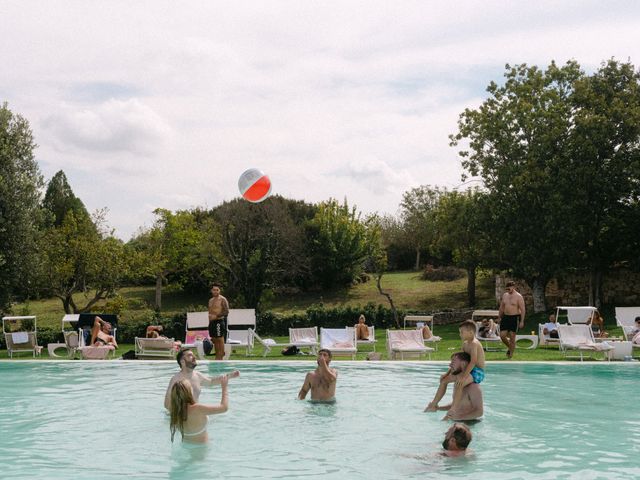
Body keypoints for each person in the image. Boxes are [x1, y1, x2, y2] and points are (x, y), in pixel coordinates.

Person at [425, 322, 485, 417]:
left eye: (462, 332)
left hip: (477, 372)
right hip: (466, 369)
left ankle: (454, 409)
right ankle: (434, 404)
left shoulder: (474, 344)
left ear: (470, 332)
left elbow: (473, 362)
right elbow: (459, 359)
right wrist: (447, 373)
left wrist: (463, 377)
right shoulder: (465, 344)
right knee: (444, 380)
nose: (460, 334)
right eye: (460, 332)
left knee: (459, 383)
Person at [164, 348, 239, 411]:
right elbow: (167, 404)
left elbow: (211, 382)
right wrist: (182, 415)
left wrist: (229, 376)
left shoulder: (197, 375)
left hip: (195, 414)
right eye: (190, 355)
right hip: (182, 418)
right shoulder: (176, 379)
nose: (194, 357)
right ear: (182, 362)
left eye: (193, 355)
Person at [169, 376, 229, 443]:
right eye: (191, 387)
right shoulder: (198, 409)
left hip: (185, 446)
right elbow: (224, 408)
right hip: (201, 449)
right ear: (188, 392)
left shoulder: (175, 412)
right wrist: (224, 387)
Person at [428, 352, 484, 421]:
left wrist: (458, 418)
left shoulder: (474, 387)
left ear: (463, 364)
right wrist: (439, 408)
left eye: (453, 362)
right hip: (456, 421)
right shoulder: (457, 384)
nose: (450, 365)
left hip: (470, 425)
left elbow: (479, 412)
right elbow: (459, 405)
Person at [498, 280, 525, 358]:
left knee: (512, 336)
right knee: (502, 335)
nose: (507, 290)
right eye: (506, 289)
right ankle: (510, 347)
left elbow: (523, 309)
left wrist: (522, 321)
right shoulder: (505, 295)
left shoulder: (518, 296)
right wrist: (499, 317)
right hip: (506, 317)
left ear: (513, 287)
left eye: (509, 288)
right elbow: (502, 307)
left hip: (514, 317)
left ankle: (510, 354)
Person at [208, 283, 230, 360]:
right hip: (212, 323)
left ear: (219, 291)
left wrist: (216, 316)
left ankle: (220, 356)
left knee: (220, 340)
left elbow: (226, 311)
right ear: (211, 290)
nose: (216, 291)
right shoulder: (210, 300)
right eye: (214, 290)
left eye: (217, 290)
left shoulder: (222, 299)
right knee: (214, 339)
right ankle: (218, 355)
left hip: (219, 322)